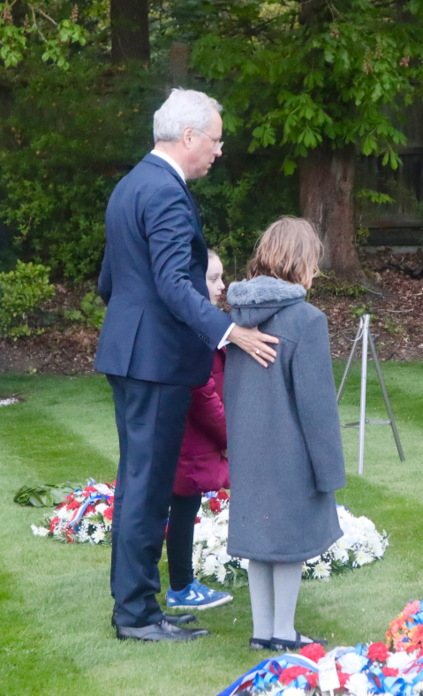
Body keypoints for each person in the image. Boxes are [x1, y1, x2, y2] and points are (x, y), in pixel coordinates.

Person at [95, 89, 279, 642]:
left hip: (131, 355)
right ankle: (136, 616)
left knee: (137, 485)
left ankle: (137, 605)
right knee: (148, 489)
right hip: (155, 362)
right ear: (190, 136)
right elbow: (176, 283)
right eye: (216, 141)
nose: (218, 152)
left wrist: (136, 332)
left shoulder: (130, 185)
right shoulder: (168, 194)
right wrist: (230, 331)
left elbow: (111, 282)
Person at [223, 216, 346, 652]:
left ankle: (262, 631)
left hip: (247, 446)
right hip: (291, 452)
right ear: (302, 263)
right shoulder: (306, 321)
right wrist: (329, 471)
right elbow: (317, 408)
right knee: (289, 544)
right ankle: (282, 631)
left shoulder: (235, 320)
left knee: (260, 539)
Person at [165, 249, 233, 612]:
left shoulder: (204, 324)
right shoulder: (195, 329)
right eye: (213, 279)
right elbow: (202, 391)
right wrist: (230, 436)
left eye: (221, 278)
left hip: (192, 437)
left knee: (183, 504)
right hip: (190, 438)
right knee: (183, 505)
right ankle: (180, 585)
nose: (221, 286)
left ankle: (181, 582)